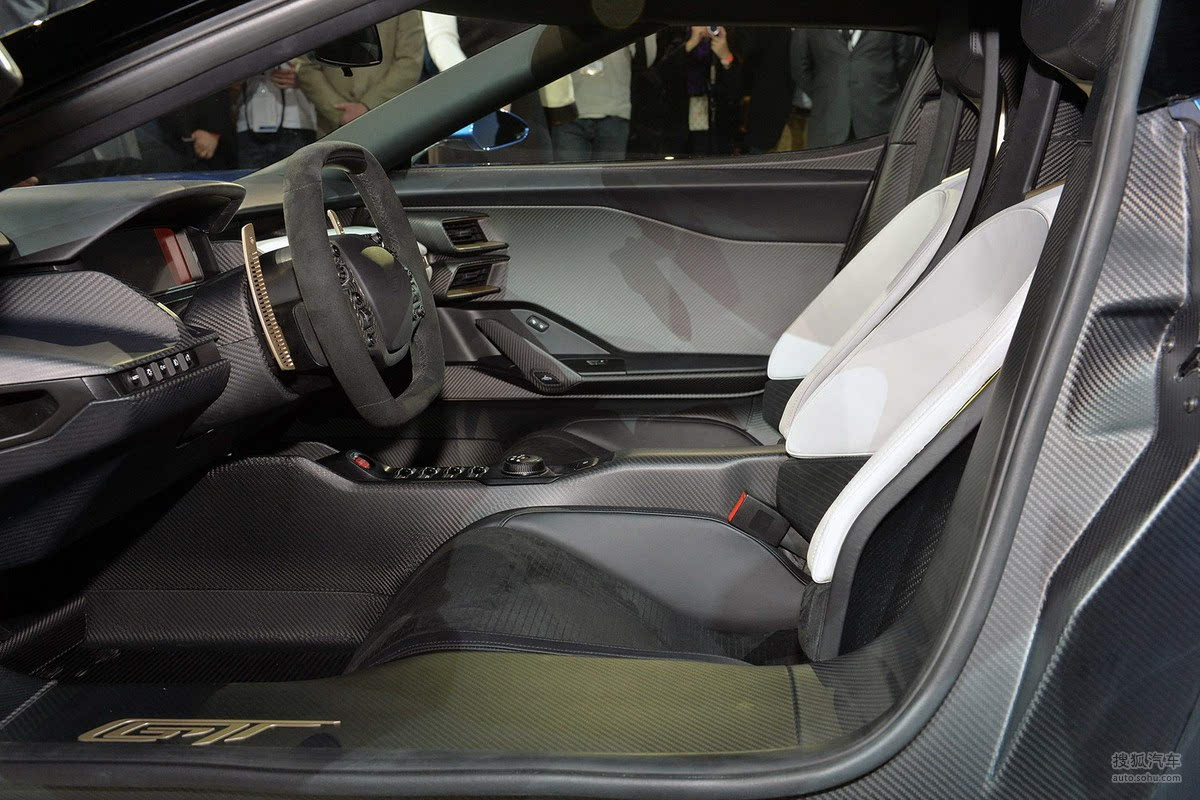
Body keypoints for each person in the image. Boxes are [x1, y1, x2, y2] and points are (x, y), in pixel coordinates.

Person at [421, 12, 553, 161]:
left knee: (535, 169)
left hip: (523, 95)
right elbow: (441, 39)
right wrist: (482, 90)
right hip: (471, 101)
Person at [297, 12, 424, 137]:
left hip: (388, 122)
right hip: (332, 127)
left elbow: (410, 62)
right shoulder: (317, 7)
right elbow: (306, 66)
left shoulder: (401, 7)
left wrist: (369, 105)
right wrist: (338, 112)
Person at [791, 29, 917, 148]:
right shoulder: (812, 20)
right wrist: (827, 96)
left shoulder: (891, 17)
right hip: (827, 126)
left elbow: (905, 64)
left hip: (880, 125)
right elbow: (800, 67)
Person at [550, 37, 656, 162]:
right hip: (567, 114)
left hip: (614, 115)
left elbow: (646, 59)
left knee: (607, 175)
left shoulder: (624, 24)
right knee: (569, 174)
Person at [235, 61, 317, 169]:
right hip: (248, 123)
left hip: (296, 122)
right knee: (250, 179)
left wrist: (303, 77)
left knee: (297, 177)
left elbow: (318, 69)